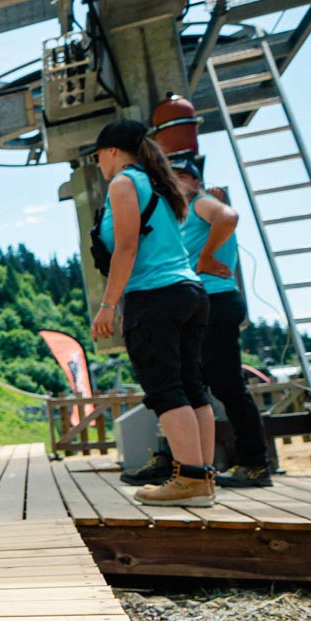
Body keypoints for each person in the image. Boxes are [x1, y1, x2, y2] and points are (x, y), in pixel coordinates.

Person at [88, 118, 218, 507]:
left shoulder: (124, 183)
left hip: (156, 295)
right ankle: (203, 477)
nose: (98, 164)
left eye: (97, 156)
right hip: (189, 292)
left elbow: (126, 247)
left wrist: (108, 306)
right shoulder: (159, 185)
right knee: (193, 388)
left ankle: (190, 480)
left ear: (112, 151)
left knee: (165, 389)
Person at [173, 153, 275, 488]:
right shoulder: (185, 215)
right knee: (199, 385)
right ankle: (200, 464)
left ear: (195, 181)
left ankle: (256, 464)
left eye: (180, 175)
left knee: (227, 385)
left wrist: (205, 257)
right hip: (202, 303)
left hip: (216, 299)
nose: (172, 180)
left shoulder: (202, 202)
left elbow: (229, 217)